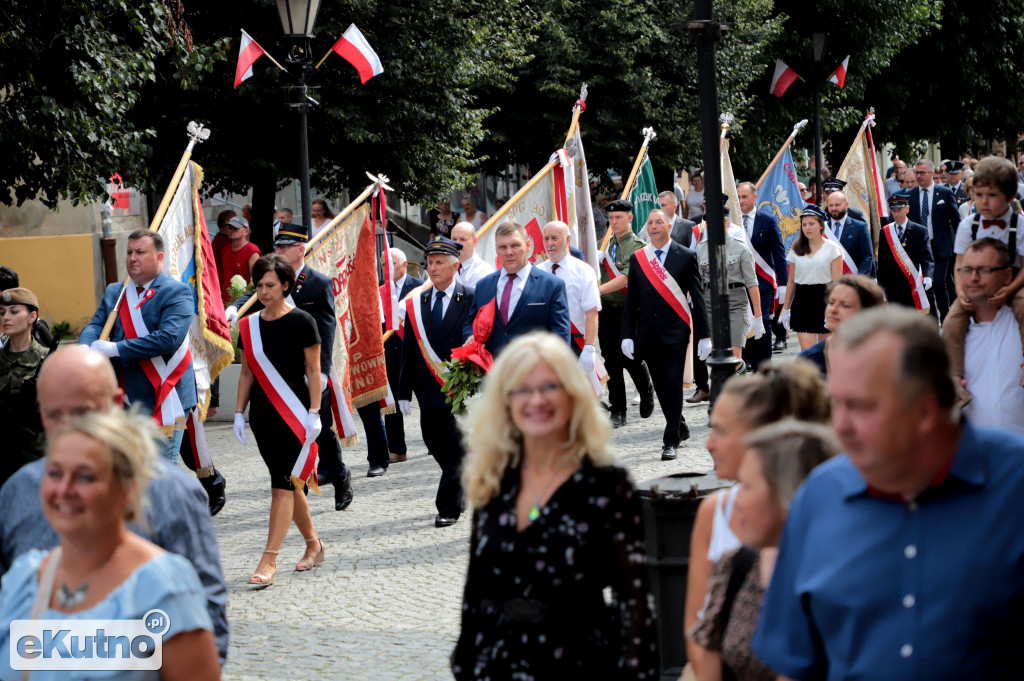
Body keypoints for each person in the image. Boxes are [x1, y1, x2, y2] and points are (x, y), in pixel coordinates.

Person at [753, 307, 1024, 680]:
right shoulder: (820, 496)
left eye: (860, 407)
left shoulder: (1014, 486)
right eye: (837, 403)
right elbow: (794, 664)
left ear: (926, 410)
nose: (840, 426)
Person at [0, 345, 229, 663]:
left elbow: (209, 618)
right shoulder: (18, 492)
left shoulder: (172, 494)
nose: (71, 428)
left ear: (115, 404)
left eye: (82, 412)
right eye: (55, 415)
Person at [452, 332, 659, 680]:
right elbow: (476, 594)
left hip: (580, 665)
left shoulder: (606, 485)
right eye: (522, 389)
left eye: (549, 387)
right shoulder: (493, 481)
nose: (536, 400)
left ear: (572, 396)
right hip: (500, 666)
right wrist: (467, 666)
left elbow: (635, 599)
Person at [683, 360, 831, 678]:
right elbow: (698, 629)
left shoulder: (826, 527)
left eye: (721, 431)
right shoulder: (715, 513)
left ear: (763, 438)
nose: (709, 444)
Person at [226, 227, 354, 509]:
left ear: (301, 249)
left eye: (286, 246)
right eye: (278, 246)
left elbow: (326, 329)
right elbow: (253, 293)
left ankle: (339, 474)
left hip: (309, 371)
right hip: (277, 374)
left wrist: (319, 372)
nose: (280, 250)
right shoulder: (270, 280)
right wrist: (235, 307)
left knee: (321, 431)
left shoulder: (318, 283)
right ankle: (296, 492)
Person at [234, 254, 325, 588]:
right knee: (289, 480)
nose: (263, 291)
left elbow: (313, 370)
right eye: (258, 286)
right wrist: (239, 412)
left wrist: (315, 412)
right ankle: (314, 544)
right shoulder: (249, 325)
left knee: (281, 487)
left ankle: (269, 560)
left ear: (286, 285)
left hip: (295, 415)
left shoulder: (303, 321)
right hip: (263, 416)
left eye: (270, 285)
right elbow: (245, 372)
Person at [79, 230, 197, 461]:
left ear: (159, 257)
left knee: (159, 474)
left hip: (162, 392)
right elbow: (96, 324)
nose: (132, 258)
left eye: (140, 252)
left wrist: (115, 349)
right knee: (128, 471)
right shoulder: (116, 290)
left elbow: (168, 338)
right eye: (129, 252)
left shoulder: (176, 291)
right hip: (123, 394)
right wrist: (85, 346)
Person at [622, 208, 711, 460]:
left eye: (658, 222)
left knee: (672, 382)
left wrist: (704, 335)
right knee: (661, 385)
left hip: (676, 331)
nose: (653, 226)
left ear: (668, 226)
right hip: (648, 332)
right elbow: (633, 300)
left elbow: (698, 298)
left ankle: (670, 439)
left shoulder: (685, 255)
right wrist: (627, 334)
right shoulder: (639, 258)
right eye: (649, 223)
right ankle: (679, 424)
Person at [397, 236, 474, 527]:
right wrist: (403, 391)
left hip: (461, 388)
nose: (433, 267)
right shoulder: (418, 301)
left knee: (454, 447)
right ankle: (462, 482)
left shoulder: (471, 296)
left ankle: (448, 506)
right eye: (430, 262)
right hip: (428, 388)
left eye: (439, 262)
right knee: (434, 441)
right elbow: (409, 350)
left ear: (455, 266)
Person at [943, 157, 1024, 405]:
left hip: (1014, 283)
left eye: (992, 195)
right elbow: (959, 264)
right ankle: (956, 380)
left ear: (1010, 197)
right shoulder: (969, 225)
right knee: (951, 322)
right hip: (976, 284)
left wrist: (1010, 289)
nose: (984, 202)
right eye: (979, 195)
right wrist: (960, 291)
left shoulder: (1019, 225)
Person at [464, 221, 570, 357]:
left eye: (515, 245)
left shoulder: (552, 285)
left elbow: (560, 338)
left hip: (533, 373)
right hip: (492, 373)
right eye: (503, 247)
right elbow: (470, 322)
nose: (509, 252)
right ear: (496, 250)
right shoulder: (483, 285)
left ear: (528, 245)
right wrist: (470, 337)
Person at [952, 239, 1024, 433]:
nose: (973, 278)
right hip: (975, 458)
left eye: (984, 270)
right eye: (967, 270)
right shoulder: (950, 338)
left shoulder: (1019, 325)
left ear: (1007, 275)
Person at [597, 199, 654, 428]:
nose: (614, 222)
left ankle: (646, 389)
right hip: (607, 311)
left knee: (631, 357)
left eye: (619, 217)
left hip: (628, 311)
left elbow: (627, 278)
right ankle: (618, 410)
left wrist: (597, 289)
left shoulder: (637, 246)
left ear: (630, 218)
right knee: (611, 361)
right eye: (611, 218)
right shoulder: (605, 245)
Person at [694, 202, 764, 361]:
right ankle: (723, 386)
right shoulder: (701, 249)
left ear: (727, 223)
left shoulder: (741, 248)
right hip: (710, 302)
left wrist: (758, 317)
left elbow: (752, 283)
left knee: (734, 355)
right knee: (716, 355)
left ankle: (738, 382)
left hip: (736, 302)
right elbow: (697, 284)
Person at [535, 220, 601, 371]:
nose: (550, 243)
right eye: (546, 238)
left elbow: (591, 312)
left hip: (574, 344)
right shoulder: (536, 272)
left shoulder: (584, 271)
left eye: (554, 238)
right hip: (543, 344)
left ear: (568, 239)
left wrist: (589, 347)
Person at [0, 287, 49, 486]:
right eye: (2, 312)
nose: (6, 318)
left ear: (32, 317)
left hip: (35, 458)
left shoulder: (48, 360)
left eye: (14, 311)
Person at [737, 182, 788, 371]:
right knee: (744, 319)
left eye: (745, 197)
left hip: (763, 281)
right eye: (739, 197)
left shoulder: (767, 220)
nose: (741, 201)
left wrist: (782, 283)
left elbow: (779, 253)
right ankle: (748, 358)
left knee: (762, 319)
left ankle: (764, 362)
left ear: (754, 197)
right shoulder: (733, 221)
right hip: (740, 281)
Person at [781, 206, 844, 350]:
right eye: (804, 224)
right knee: (808, 353)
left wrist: (834, 308)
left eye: (812, 223)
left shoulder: (833, 248)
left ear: (821, 225)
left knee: (825, 352)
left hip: (825, 299)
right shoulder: (797, 248)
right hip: (802, 301)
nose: (807, 228)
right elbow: (791, 281)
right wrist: (786, 309)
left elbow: (836, 283)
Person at [798, 275, 886, 377]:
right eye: (831, 302)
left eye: (845, 305)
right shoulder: (808, 360)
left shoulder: (886, 359)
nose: (833, 309)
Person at [384, 248, 425, 464]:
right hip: (390, 354)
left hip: (416, 353)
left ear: (404, 264)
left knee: (426, 399)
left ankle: (433, 441)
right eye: (383, 264)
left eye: (390, 263)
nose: (386, 268)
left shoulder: (419, 287)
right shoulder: (380, 290)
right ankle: (397, 449)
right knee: (391, 404)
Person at [907, 158, 961, 319]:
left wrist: (961, 246)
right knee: (925, 285)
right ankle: (932, 321)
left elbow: (956, 221)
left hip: (941, 246)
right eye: (917, 172)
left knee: (938, 283)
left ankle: (946, 318)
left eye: (922, 173)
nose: (918, 176)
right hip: (920, 248)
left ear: (931, 173)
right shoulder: (910, 195)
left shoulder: (944, 193)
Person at [876, 190, 934, 311]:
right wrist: (880, 286)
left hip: (912, 285)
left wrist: (928, 276)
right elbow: (882, 263)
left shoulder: (920, 231)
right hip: (893, 286)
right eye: (893, 210)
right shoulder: (885, 232)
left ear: (907, 209)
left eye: (899, 210)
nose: (896, 214)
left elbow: (926, 258)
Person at [825, 190, 874, 276]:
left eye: (837, 205)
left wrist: (858, 283)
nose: (833, 208)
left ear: (846, 205)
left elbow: (867, 258)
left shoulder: (860, 227)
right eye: (830, 205)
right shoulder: (822, 228)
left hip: (851, 281)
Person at [220, 215, 261, 303]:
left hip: (244, 303)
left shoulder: (252, 250)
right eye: (230, 227)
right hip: (227, 303)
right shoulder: (225, 250)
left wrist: (239, 298)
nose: (231, 230)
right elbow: (224, 278)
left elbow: (255, 279)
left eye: (235, 228)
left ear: (246, 231)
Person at [451, 221, 497, 287]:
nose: (457, 243)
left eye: (462, 239)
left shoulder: (483, 270)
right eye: (454, 239)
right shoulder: (445, 266)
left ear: (475, 242)